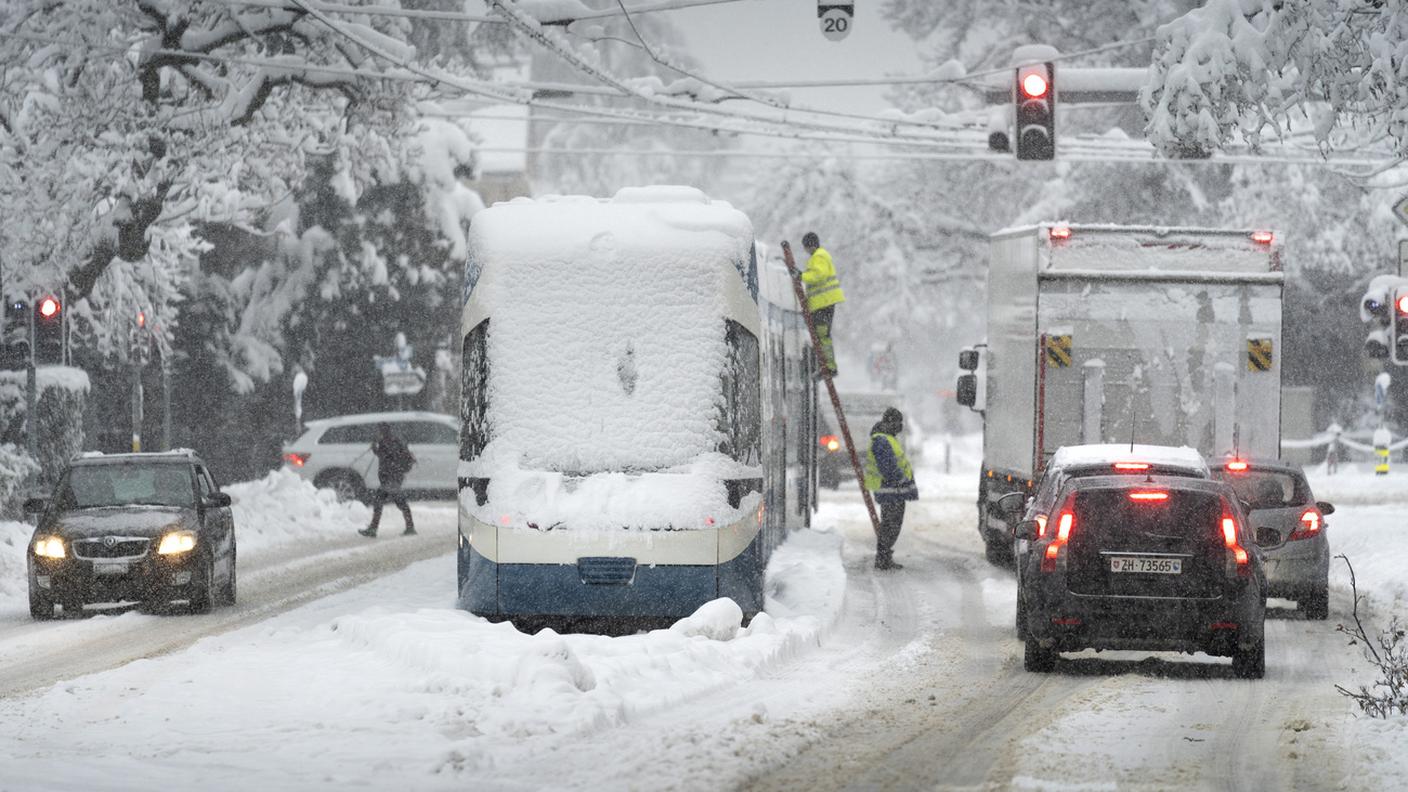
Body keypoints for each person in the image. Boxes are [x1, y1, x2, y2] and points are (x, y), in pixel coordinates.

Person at [863, 407, 919, 570]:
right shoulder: (882, 439)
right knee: (891, 525)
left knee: (892, 525)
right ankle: (883, 558)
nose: (899, 426)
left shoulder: (888, 438)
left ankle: (885, 556)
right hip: (890, 490)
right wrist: (901, 480)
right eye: (897, 422)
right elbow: (888, 466)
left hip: (894, 490)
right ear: (888, 422)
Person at [798, 231, 845, 379]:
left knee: (822, 336)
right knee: (821, 336)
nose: (805, 251)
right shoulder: (820, 256)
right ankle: (826, 366)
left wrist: (801, 276)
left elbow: (819, 274)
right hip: (823, 303)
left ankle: (829, 367)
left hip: (823, 304)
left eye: (805, 247)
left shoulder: (819, 256)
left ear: (809, 245)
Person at [359, 423, 417, 538]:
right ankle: (410, 527)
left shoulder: (388, 442)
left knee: (381, 501)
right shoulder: (393, 441)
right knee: (398, 501)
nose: (377, 433)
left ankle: (373, 529)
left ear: (382, 431)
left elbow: (386, 456)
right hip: (394, 476)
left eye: (378, 431)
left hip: (391, 477)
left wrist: (375, 447)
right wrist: (376, 447)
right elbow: (386, 455)